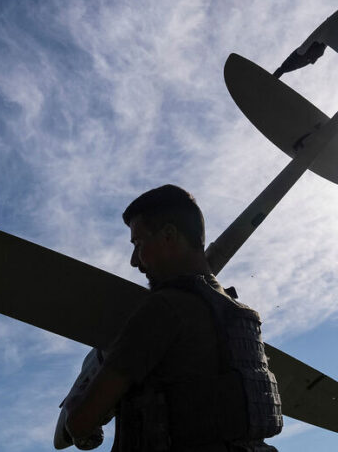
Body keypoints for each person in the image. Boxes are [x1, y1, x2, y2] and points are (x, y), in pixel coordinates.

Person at [62, 184, 281, 452]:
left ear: (168, 236)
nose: (134, 260)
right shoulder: (239, 316)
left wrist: (75, 407)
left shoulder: (163, 309)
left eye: (138, 244)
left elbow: (82, 422)